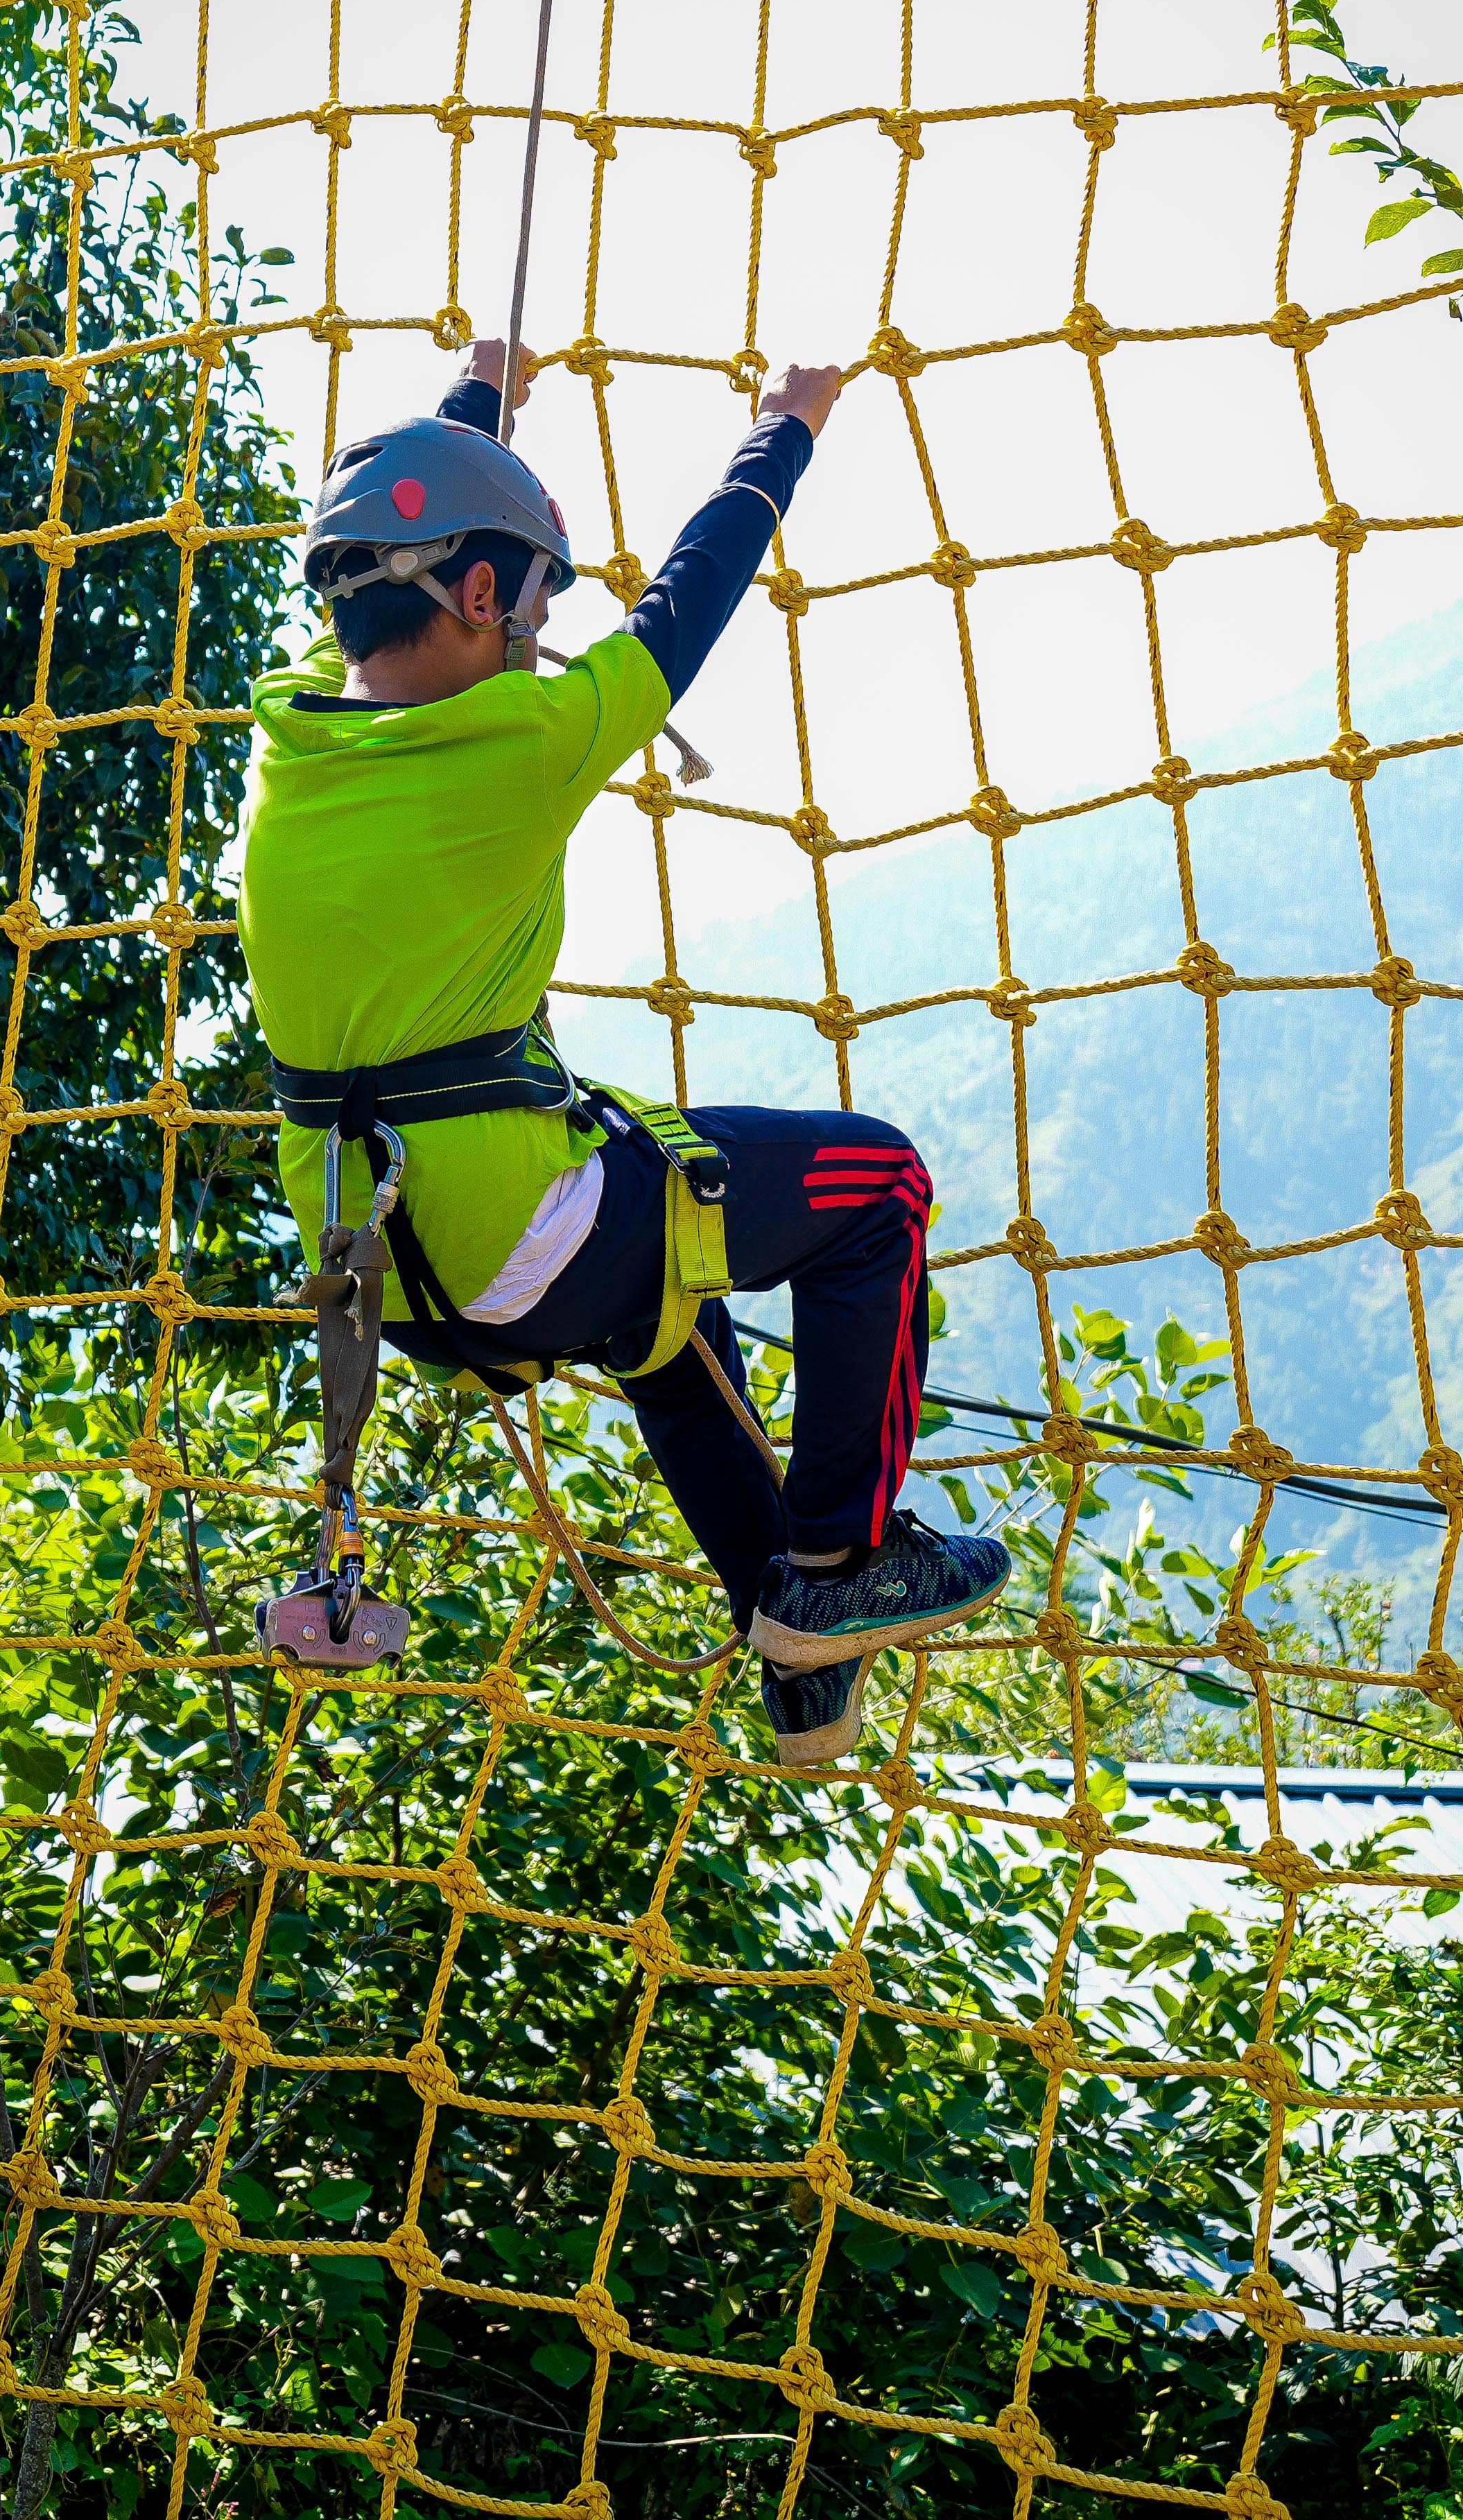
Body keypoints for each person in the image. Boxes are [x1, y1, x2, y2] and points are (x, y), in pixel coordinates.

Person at [236, 339, 1008, 1763]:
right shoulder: (522, 735)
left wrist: (477, 415)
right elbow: (690, 599)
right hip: (510, 1225)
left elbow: (386, 541)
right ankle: (839, 1569)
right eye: (527, 599)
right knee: (878, 1188)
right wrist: (788, 430)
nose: (537, 631)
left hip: (378, 1257)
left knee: (669, 1310)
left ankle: (795, 1661)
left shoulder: (287, 741)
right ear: (478, 594)